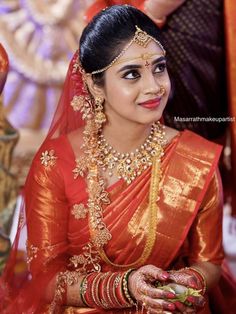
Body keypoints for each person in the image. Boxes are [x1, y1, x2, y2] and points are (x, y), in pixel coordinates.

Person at [0, 4, 235, 314]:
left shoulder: (195, 159)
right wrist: (124, 288)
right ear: (96, 86)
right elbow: (46, 278)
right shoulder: (55, 163)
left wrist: (185, 283)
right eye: (132, 74)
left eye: (159, 67)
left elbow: (209, 262)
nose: (153, 86)